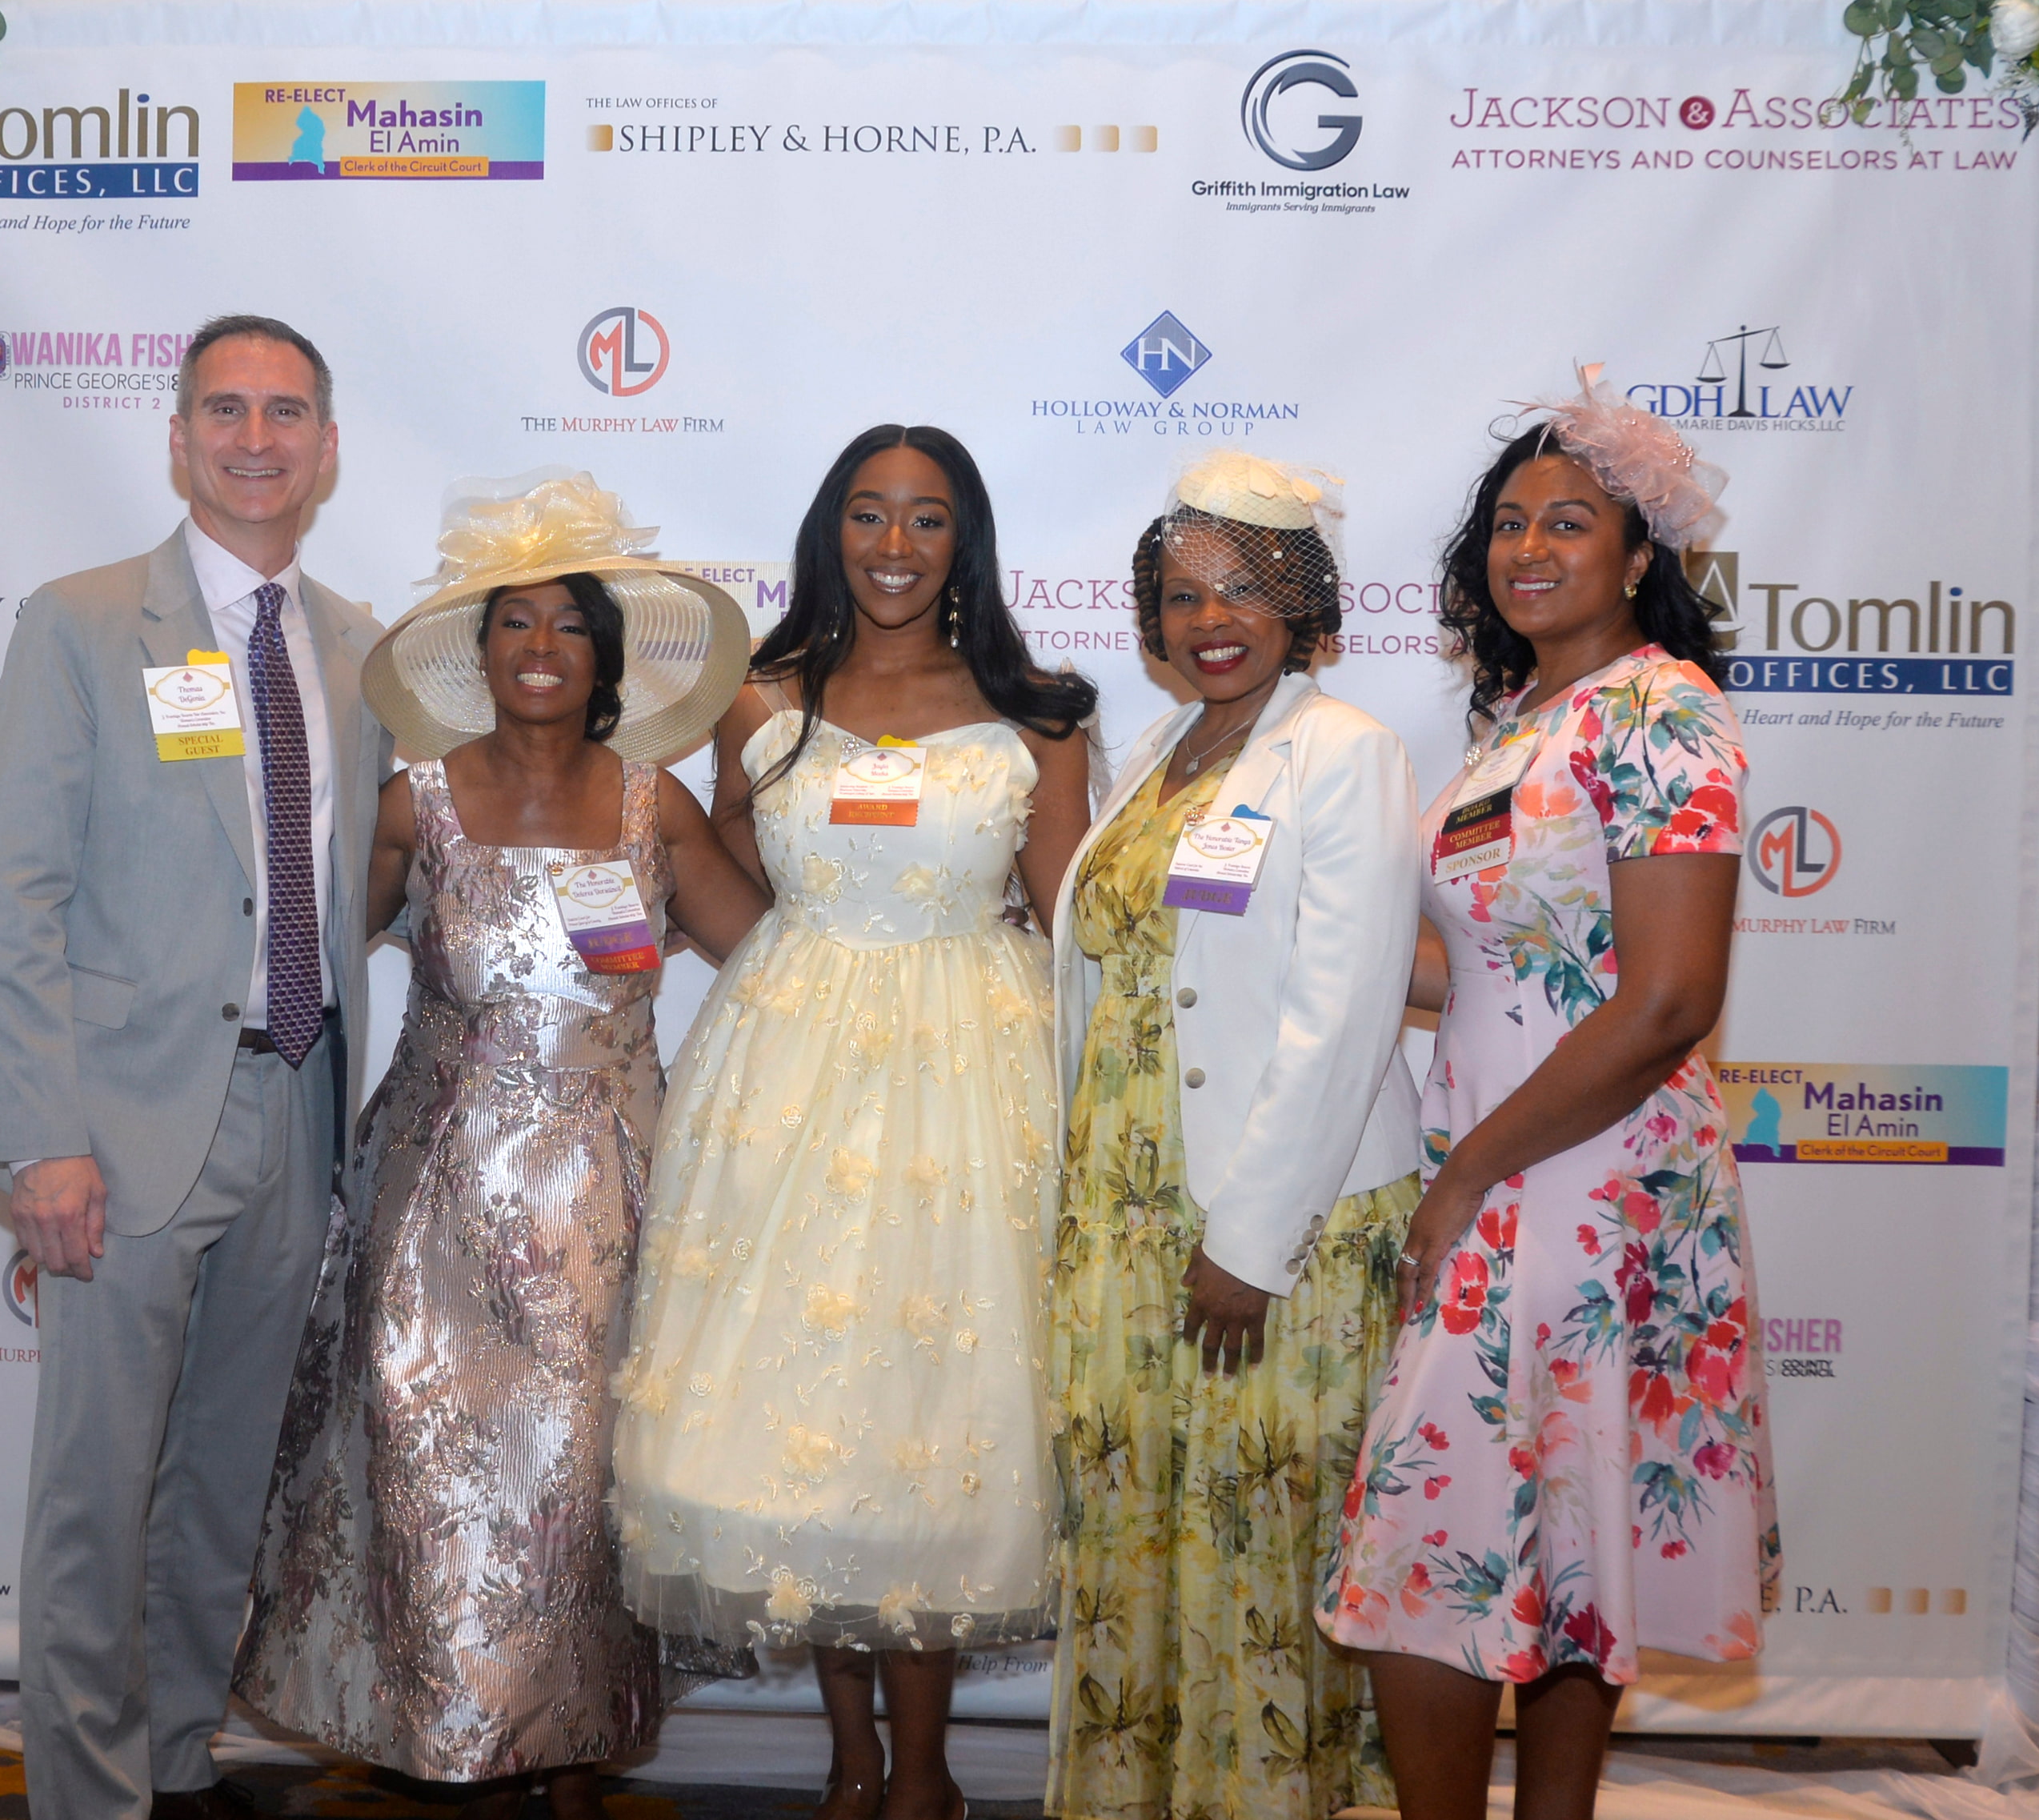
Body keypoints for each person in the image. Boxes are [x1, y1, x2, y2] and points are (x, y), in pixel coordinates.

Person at [234, 473, 769, 1817]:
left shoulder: (658, 807)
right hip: (434, 1212)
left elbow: (770, 965)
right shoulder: (415, 803)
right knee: (440, 1490)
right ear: (480, 657)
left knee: (577, 1502)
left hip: (609, 1213)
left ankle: (571, 1762)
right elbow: (297, 963)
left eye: (567, 627)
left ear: (606, 662)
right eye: (513, 624)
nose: (539, 647)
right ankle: (461, 1755)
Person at [612, 425, 1095, 1820]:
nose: (895, 546)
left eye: (927, 520)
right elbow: (727, 877)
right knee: (800, 1419)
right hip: (790, 1066)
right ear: (831, 530)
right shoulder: (758, 700)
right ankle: (849, 1760)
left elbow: (1073, 911)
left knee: (928, 1420)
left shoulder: (1041, 709)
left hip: (974, 1078)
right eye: (870, 516)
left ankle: (928, 1770)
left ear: (967, 541)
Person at [1318, 369, 1781, 1820]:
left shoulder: (1664, 712)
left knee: (1425, 1560)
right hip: (1520, 1163)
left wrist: (1466, 1176)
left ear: (1637, 553)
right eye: (1509, 524)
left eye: (1568, 522)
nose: (1530, 548)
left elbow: (1665, 999)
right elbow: (1498, 975)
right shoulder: (1521, 721)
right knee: (1558, 1549)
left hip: (1584, 1180)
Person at [0, 315, 388, 1820]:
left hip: (296, 1114)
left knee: (218, 1499)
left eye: (287, 413)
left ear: (328, 449)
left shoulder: (358, 646)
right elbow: (15, 897)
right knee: (95, 1505)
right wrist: (41, 1138)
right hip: (123, 1134)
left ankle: (166, 1765)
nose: (256, 438)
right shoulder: (81, 625)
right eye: (226, 410)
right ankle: (84, 1801)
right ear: (177, 438)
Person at [1042, 451, 1424, 1820]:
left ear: (1306, 605)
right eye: (1185, 592)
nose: (1213, 617)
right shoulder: (1158, 752)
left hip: (1275, 1230)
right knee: (1143, 1544)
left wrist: (1251, 1245)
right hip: (1133, 1220)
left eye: (1248, 591)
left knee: (1255, 1556)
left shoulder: (1348, 752)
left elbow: (1346, 1011)